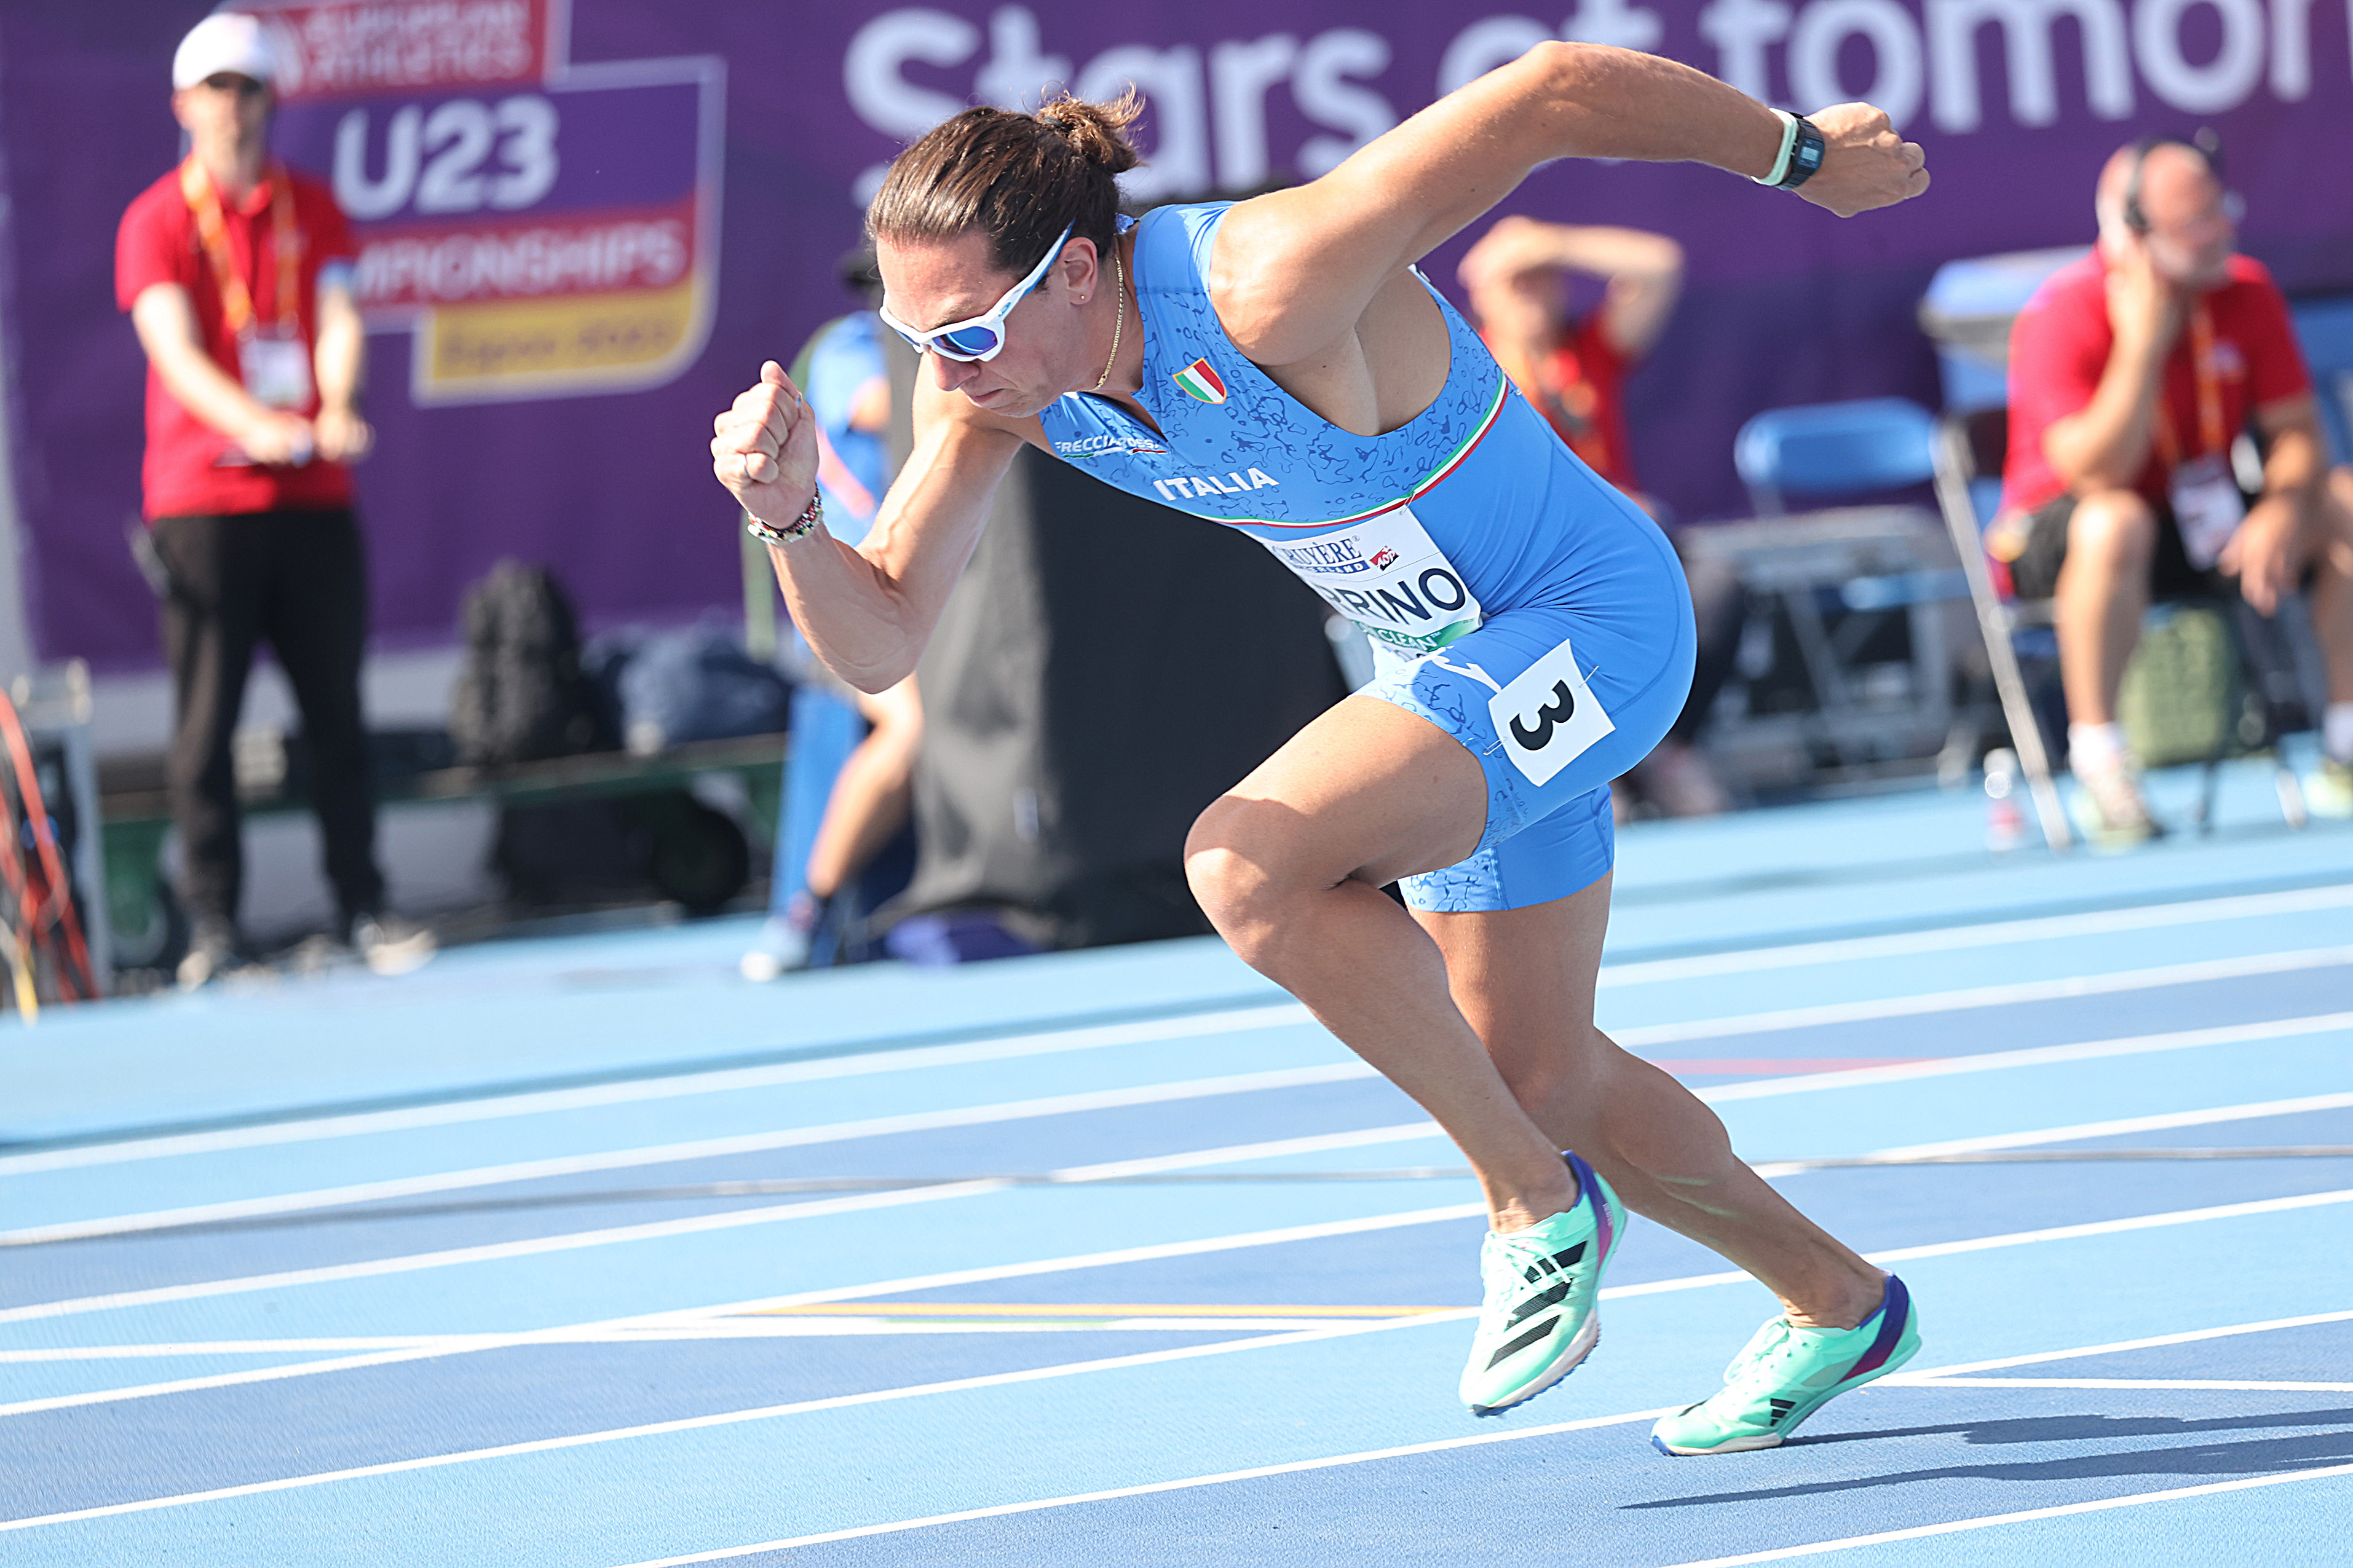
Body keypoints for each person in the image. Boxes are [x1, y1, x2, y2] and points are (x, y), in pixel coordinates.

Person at [714, 51, 1927, 1455]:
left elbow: (1544, 95)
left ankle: (1533, 1207)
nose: (942, 368)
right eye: (910, 331)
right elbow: (879, 642)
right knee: (1536, 1073)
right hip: (1445, 669)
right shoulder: (989, 394)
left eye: (969, 330)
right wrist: (791, 519)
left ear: (1077, 273)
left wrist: (1794, 154)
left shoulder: (1263, 278)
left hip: (1588, 621)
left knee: (1245, 865)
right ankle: (1835, 1299)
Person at [116, 13, 432, 984]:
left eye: (248, 88)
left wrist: (334, 404)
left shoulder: (313, 206)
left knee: (336, 712)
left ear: (269, 102)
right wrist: (253, 423)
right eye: (216, 88)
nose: (234, 106)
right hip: (202, 506)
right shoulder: (155, 220)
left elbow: (337, 317)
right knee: (205, 724)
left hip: (312, 499)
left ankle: (363, 905)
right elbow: (174, 353)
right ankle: (213, 924)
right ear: (184, 103)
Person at [2001, 133, 2353, 841]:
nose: (2221, 230)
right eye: (2196, 222)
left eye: (2221, 209)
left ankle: (2344, 744)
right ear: (2132, 236)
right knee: (2115, 519)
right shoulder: (2062, 311)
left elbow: (2294, 431)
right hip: (2070, 530)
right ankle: (2101, 764)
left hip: (2201, 520)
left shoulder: (2245, 290)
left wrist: (2282, 505)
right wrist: (2140, 345)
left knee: (2342, 498)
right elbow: (2095, 473)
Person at [1458, 216, 1744, 818]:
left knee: (1715, 587)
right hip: (1534, 557)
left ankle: (1669, 750)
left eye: (1543, 277)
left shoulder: (1588, 351)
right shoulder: (1469, 373)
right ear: (1483, 297)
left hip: (1624, 540)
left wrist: (1552, 242)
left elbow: (1660, 265)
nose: (1532, 293)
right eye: (1516, 283)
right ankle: (1592, 771)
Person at [742, 273, 923, 979]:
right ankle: (805, 911)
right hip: (845, 609)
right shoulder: (852, 349)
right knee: (913, 729)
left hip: (929, 600)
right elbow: (886, 405)